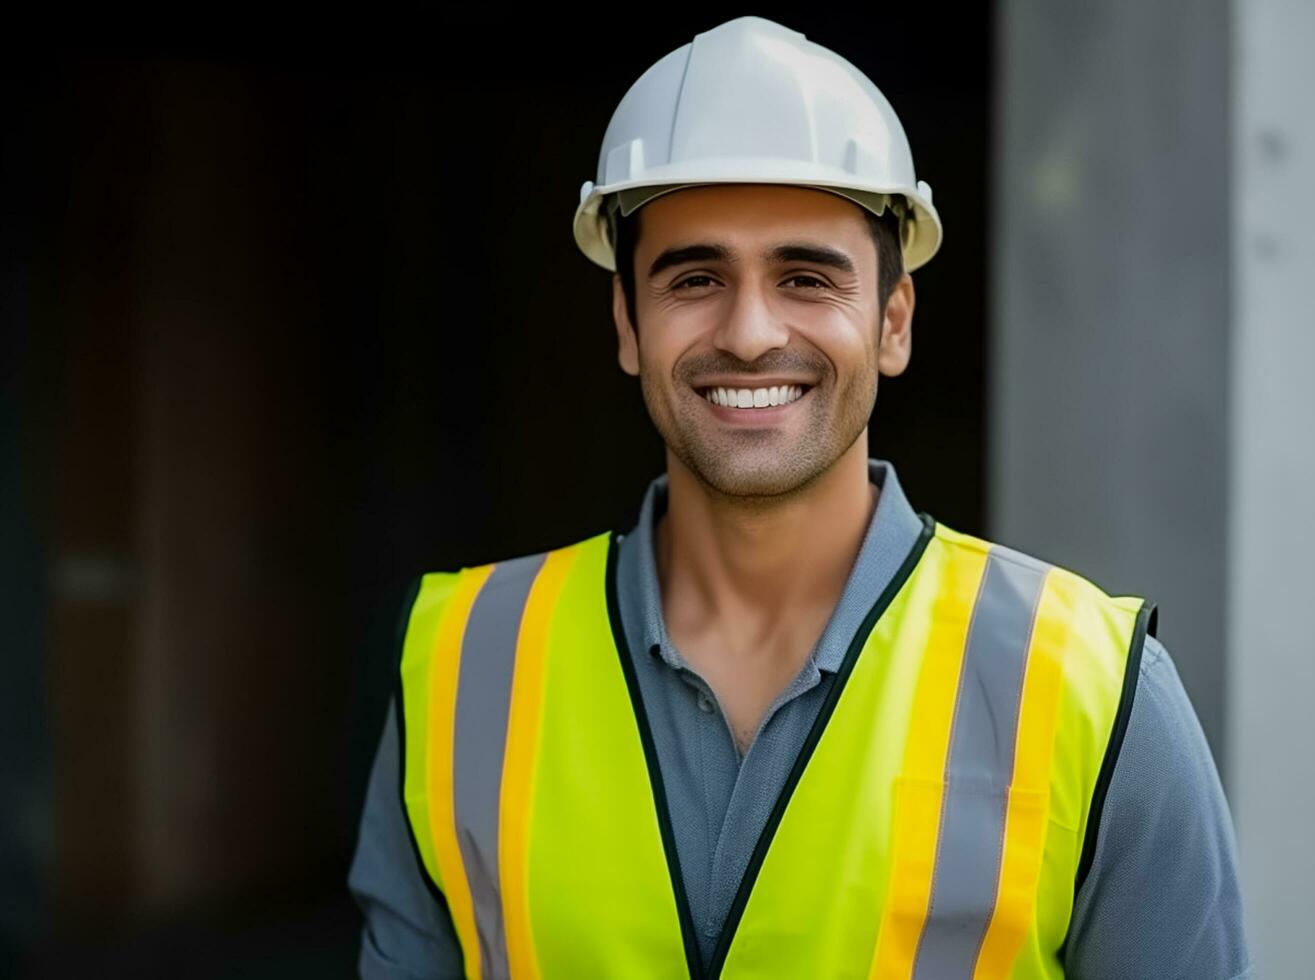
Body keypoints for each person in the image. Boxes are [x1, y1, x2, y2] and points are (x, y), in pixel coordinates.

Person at [347, 15, 1253, 980]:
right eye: (694, 276)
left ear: (893, 324)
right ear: (626, 322)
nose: (747, 332)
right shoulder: (459, 665)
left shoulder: (1091, 687)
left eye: (806, 277)